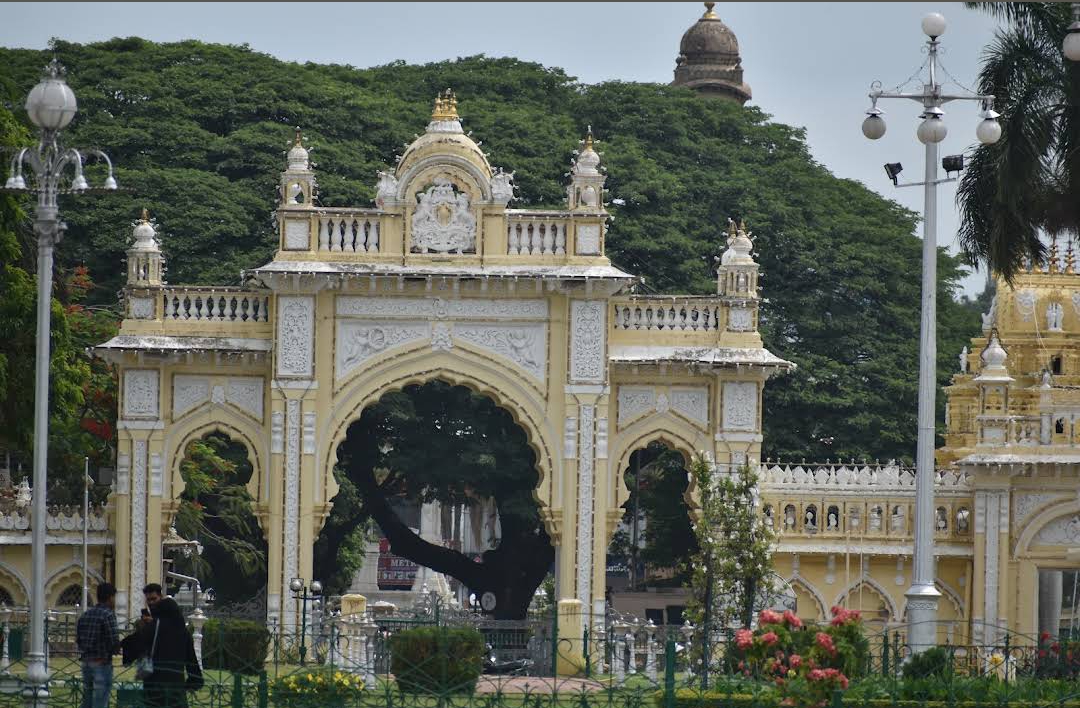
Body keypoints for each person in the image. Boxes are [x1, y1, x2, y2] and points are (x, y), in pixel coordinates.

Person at [141, 597, 203, 708]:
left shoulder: (153, 629)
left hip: (154, 686)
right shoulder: (183, 632)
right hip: (176, 687)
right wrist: (194, 681)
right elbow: (191, 660)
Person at [76, 582, 120, 708]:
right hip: (102, 663)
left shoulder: (85, 615)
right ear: (111, 597)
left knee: (88, 699)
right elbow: (114, 640)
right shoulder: (108, 614)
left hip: (86, 663)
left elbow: (79, 640)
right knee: (100, 701)